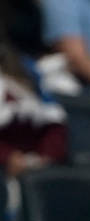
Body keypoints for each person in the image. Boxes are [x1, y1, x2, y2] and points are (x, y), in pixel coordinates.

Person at [1, 42, 67, 183]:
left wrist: (45, 157)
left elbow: (54, 126)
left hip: (33, 171)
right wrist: (7, 156)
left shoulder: (29, 76)